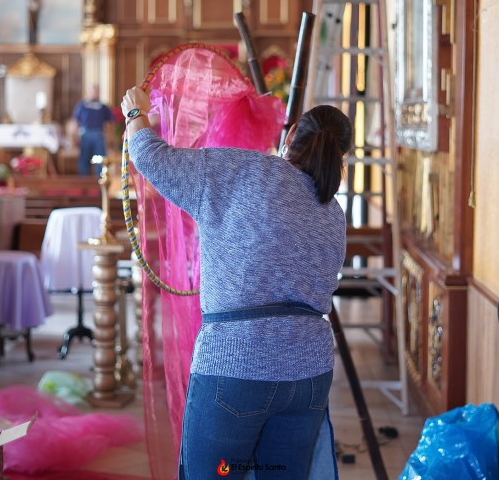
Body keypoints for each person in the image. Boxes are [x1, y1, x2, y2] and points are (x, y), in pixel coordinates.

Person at [121, 85, 352, 479]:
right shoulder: (333, 213)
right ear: (339, 155)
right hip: (308, 374)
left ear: (291, 132)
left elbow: (150, 157)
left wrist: (135, 114)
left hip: (236, 364)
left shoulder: (244, 170)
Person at [73, 85, 116, 176]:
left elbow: (110, 123)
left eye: (95, 91)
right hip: (85, 134)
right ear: (87, 92)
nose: (94, 93)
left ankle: (101, 181)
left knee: (100, 158)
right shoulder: (82, 105)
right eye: (92, 91)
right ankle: (83, 182)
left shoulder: (103, 106)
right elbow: (76, 122)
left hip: (98, 134)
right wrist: (74, 136)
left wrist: (110, 137)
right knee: (84, 158)